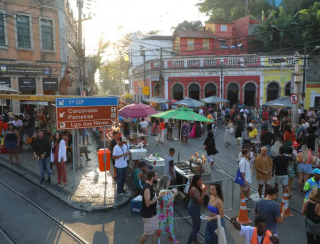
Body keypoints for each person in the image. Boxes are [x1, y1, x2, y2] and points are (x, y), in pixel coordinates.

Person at [139, 171, 165, 244]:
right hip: (148, 215)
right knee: (147, 233)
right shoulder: (147, 188)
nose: (158, 177)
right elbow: (148, 203)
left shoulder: (151, 185)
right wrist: (158, 197)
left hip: (153, 213)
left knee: (155, 231)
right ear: (153, 178)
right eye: (156, 176)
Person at [156, 175, 179, 244]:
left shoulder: (162, 190)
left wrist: (171, 191)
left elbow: (166, 192)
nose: (170, 182)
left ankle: (173, 241)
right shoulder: (163, 191)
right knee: (160, 231)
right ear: (166, 182)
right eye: (169, 180)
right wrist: (174, 195)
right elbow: (166, 204)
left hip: (165, 214)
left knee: (169, 229)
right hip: (164, 215)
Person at [187, 174, 207, 244]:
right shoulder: (194, 190)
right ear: (196, 181)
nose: (202, 181)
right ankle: (189, 242)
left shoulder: (197, 187)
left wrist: (202, 191)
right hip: (194, 209)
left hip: (194, 207)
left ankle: (195, 240)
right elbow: (200, 200)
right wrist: (203, 192)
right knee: (196, 227)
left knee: (195, 225)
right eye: (200, 180)